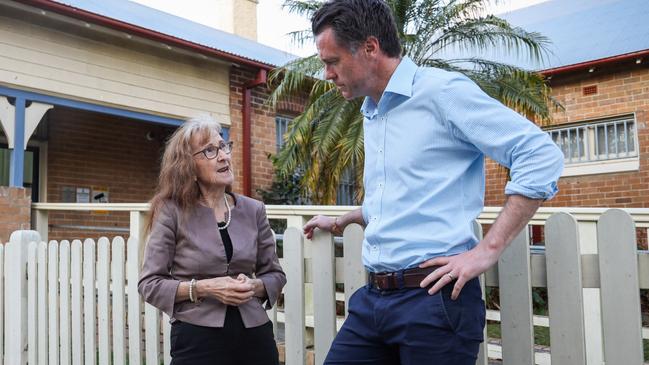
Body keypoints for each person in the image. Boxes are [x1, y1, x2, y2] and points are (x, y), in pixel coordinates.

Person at [302, 1, 564, 364]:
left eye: (331, 61)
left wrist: (486, 250)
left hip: (433, 302)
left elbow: (539, 155)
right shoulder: (373, 110)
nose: (327, 74)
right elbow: (410, 191)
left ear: (370, 48)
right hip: (373, 300)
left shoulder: (442, 92)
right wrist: (348, 218)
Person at [138, 116, 286, 365]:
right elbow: (150, 284)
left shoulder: (254, 209)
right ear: (188, 166)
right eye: (209, 150)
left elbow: (275, 275)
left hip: (255, 337)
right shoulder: (171, 210)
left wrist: (253, 286)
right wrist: (206, 288)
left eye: (224, 146)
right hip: (198, 339)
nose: (223, 156)